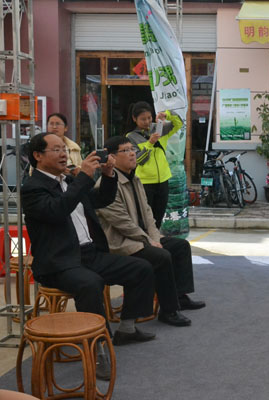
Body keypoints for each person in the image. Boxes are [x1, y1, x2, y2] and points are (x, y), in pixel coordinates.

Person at [22, 133, 158, 379]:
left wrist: (108, 175)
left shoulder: (68, 180)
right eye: (56, 150)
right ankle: (98, 348)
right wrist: (84, 177)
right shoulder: (32, 188)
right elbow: (58, 210)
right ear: (38, 156)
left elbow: (101, 199)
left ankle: (127, 328)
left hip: (89, 254)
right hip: (59, 262)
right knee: (90, 283)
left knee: (141, 267)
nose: (64, 154)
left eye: (64, 149)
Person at [96, 136, 205, 326]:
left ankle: (180, 296)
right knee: (161, 256)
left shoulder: (135, 179)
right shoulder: (106, 185)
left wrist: (155, 238)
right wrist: (148, 240)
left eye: (133, 149)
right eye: (126, 150)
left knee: (180, 246)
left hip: (142, 238)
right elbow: (123, 223)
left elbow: (148, 214)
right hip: (122, 242)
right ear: (112, 157)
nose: (132, 154)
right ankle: (169, 310)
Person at [125, 101, 182, 228]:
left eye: (149, 118)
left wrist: (166, 114)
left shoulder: (159, 129)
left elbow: (179, 123)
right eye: (143, 119)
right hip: (145, 182)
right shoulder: (131, 137)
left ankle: (156, 238)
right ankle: (148, 239)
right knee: (146, 219)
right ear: (134, 119)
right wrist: (150, 143)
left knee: (159, 218)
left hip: (163, 180)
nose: (147, 122)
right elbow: (139, 160)